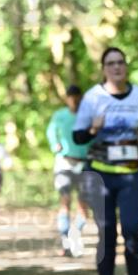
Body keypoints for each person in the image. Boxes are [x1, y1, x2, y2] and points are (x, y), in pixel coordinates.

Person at [73, 48, 138, 275]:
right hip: (100, 174)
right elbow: (78, 137)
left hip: (131, 173)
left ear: (126, 67)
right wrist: (94, 128)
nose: (116, 67)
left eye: (120, 63)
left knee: (131, 230)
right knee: (107, 234)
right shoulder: (93, 97)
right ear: (103, 68)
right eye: (110, 64)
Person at [46, 85, 91, 256]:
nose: (74, 100)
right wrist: (54, 144)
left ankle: (75, 235)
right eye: (71, 97)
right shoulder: (60, 116)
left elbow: (93, 135)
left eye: (77, 96)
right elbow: (51, 132)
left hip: (84, 163)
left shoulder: (87, 116)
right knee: (65, 201)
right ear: (67, 99)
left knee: (83, 205)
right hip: (64, 163)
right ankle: (65, 239)